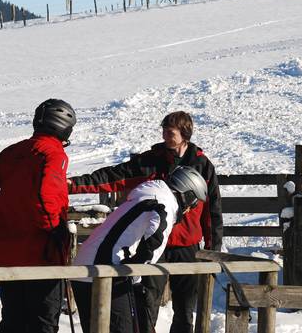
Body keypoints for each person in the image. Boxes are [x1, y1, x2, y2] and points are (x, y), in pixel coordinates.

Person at [68, 111, 223, 333]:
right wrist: (73, 185)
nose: (165, 135)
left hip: (186, 246)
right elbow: (113, 177)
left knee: (185, 309)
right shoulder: (151, 160)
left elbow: (213, 210)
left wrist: (212, 249)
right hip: (153, 244)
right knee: (146, 303)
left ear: (185, 133)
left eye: (171, 131)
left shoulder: (202, 165)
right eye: (164, 130)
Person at [0, 99, 77, 333]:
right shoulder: (54, 154)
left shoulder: (16, 151)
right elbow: (46, 193)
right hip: (43, 255)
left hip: (9, 253)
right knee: (43, 324)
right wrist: (54, 228)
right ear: (65, 127)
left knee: (14, 322)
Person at [71, 166, 208, 333]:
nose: (189, 210)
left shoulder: (149, 196)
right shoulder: (163, 204)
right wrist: (135, 277)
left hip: (87, 267)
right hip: (106, 269)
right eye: (193, 203)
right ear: (186, 194)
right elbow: (152, 247)